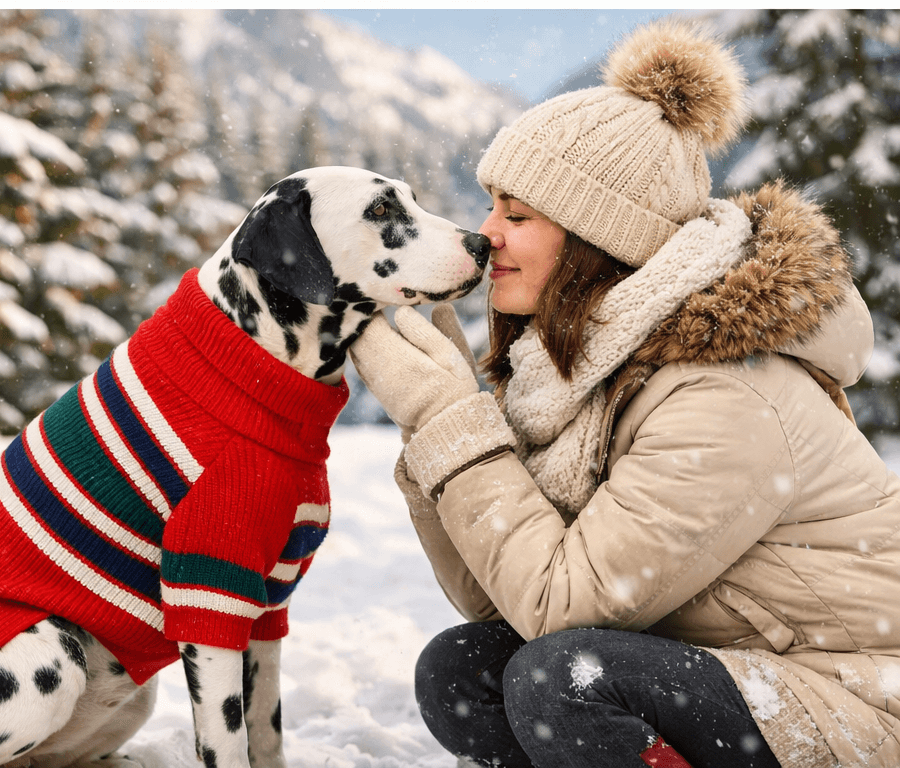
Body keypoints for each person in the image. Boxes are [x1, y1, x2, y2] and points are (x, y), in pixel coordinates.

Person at [349, 18, 900, 768]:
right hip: (741, 668)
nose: (487, 234)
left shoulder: (725, 393)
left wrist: (451, 422)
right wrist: (436, 438)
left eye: (516, 215)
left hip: (856, 698)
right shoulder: (585, 373)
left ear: (598, 239)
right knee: (464, 672)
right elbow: (498, 598)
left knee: (561, 681)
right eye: (492, 206)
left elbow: (557, 608)